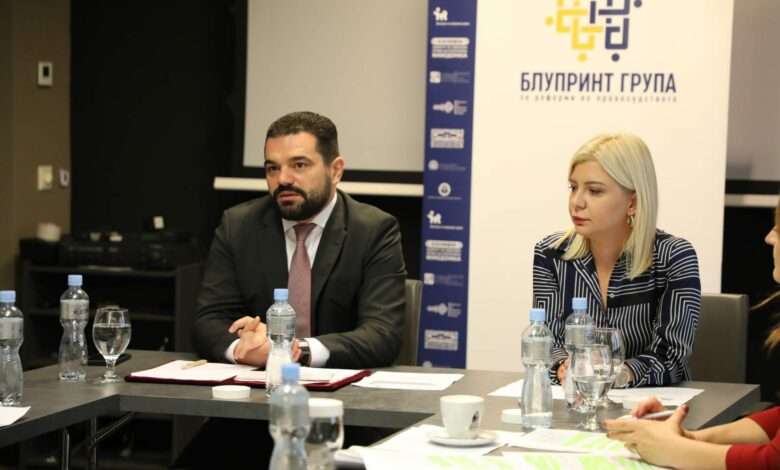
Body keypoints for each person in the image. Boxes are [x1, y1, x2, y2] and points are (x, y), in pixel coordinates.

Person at [193, 110, 406, 370]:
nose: (283, 179)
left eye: (299, 165)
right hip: (257, 384)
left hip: (341, 388)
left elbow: (382, 333)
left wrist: (296, 350)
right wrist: (244, 348)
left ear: (335, 170)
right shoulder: (238, 226)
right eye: (272, 168)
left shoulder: (373, 230)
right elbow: (209, 320)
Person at [605, 195, 780, 469]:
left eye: (778, 229)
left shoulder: (673, 253)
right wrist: (691, 438)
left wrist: (674, 449)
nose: (769, 237)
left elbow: (771, 462)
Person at [532, 133, 701, 387]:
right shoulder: (551, 254)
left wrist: (620, 373)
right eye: (573, 187)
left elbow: (672, 356)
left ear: (632, 202)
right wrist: (562, 367)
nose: (577, 202)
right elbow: (545, 341)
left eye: (594, 191)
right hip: (574, 399)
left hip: (652, 404)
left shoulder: (674, 257)